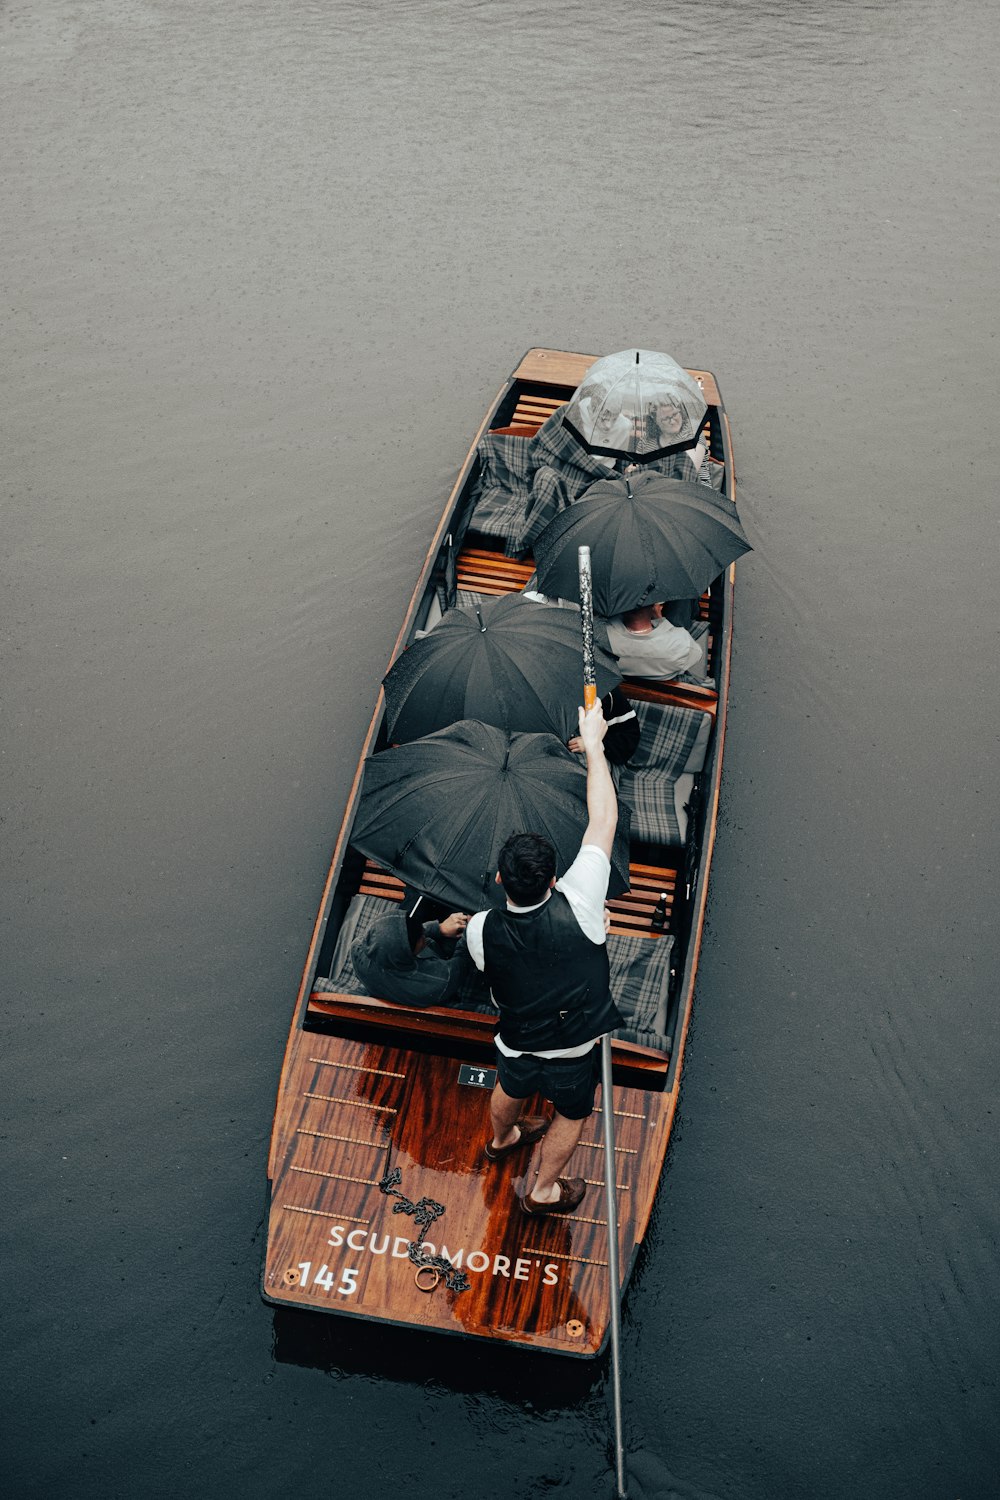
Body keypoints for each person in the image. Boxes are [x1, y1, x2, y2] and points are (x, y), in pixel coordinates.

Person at [465, 700, 624, 1216]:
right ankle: (542, 1193)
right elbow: (604, 818)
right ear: (553, 878)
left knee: (510, 1082)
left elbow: (506, 969)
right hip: (574, 1046)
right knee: (572, 1113)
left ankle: (504, 1139)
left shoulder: (478, 929)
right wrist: (595, 746)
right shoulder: (580, 901)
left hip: (518, 1039)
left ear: (498, 881)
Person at [351, 907, 470, 1009]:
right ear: (405, 954)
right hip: (441, 990)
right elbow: (461, 963)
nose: (424, 937)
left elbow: (400, 934)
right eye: (422, 939)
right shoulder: (440, 979)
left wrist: (439, 928)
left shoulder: (358, 947)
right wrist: (470, 929)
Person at [605, 601, 705, 680]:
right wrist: (660, 619)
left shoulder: (602, 636)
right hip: (665, 684)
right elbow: (697, 654)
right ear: (654, 606)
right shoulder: (680, 644)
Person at [566, 685, 639, 765]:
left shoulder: (607, 694)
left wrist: (593, 743)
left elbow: (629, 739)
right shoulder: (560, 691)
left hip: (606, 755)